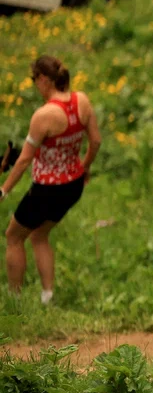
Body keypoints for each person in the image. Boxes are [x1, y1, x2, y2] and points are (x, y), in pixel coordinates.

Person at [2, 56, 102, 305]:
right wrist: (84, 167)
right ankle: (47, 296)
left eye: (34, 79)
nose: (35, 84)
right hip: (73, 186)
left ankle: (14, 300)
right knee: (39, 235)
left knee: (13, 236)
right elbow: (96, 141)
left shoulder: (44, 116)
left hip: (47, 190)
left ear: (44, 79)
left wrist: (3, 190)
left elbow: (24, 160)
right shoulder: (82, 102)